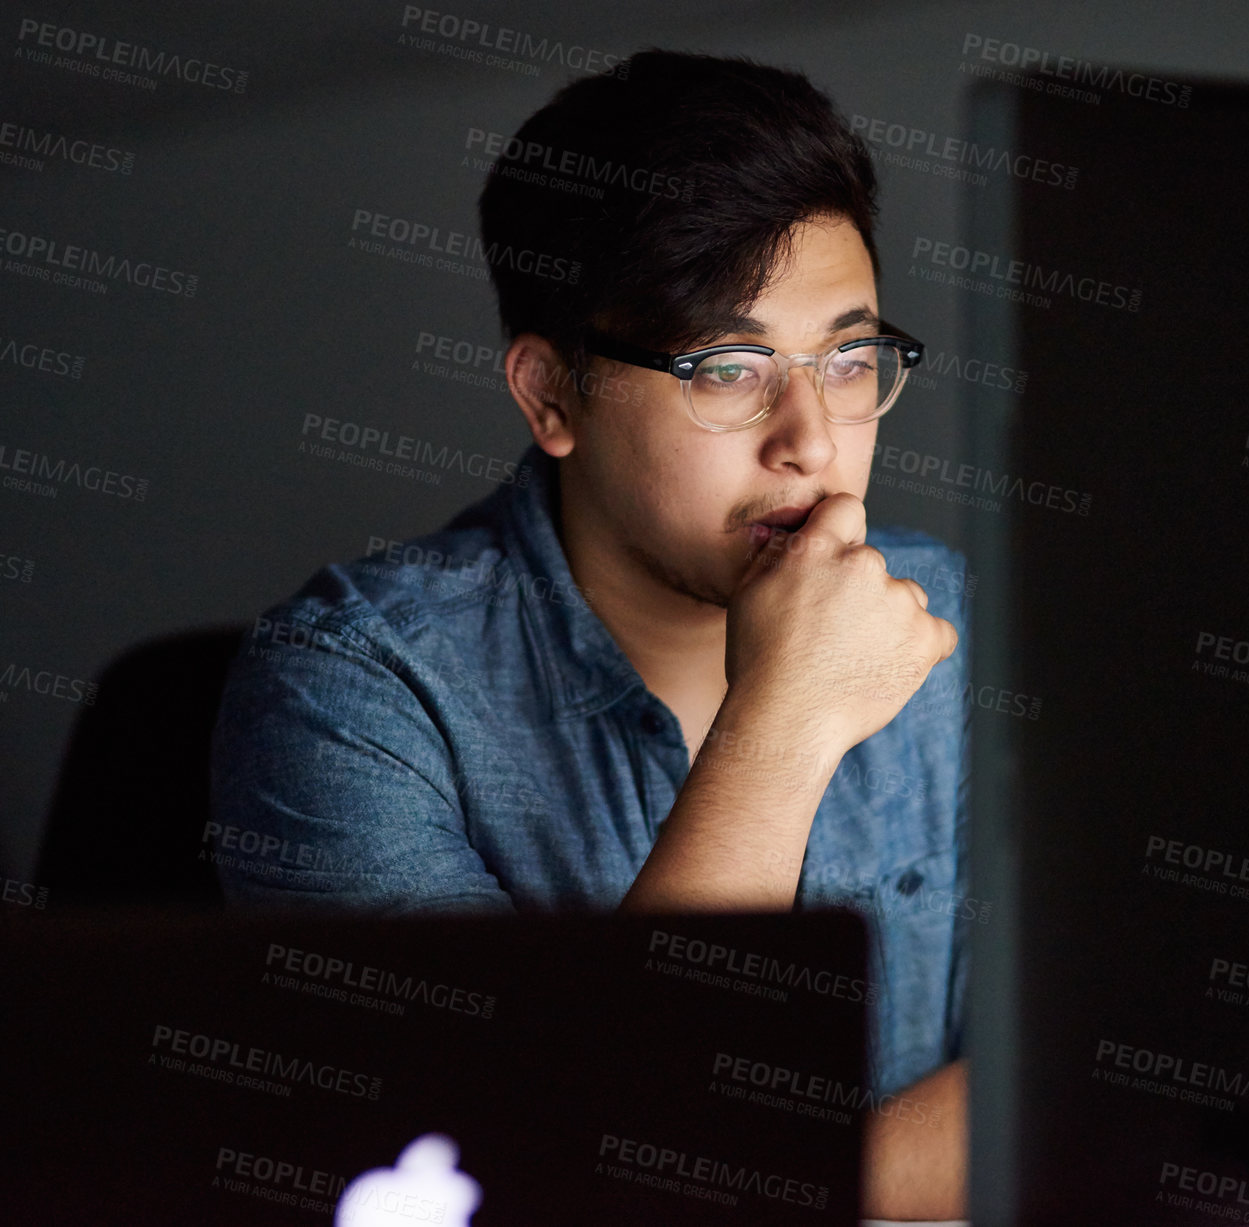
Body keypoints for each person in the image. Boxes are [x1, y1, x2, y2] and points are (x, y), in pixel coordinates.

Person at [210, 49, 970, 1219]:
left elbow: (1097, 1066)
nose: (812, 441)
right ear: (551, 395)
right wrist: (785, 726)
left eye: (849, 358)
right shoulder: (348, 690)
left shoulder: (953, 620)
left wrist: (776, 1182)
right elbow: (536, 1178)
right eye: (727, 367)